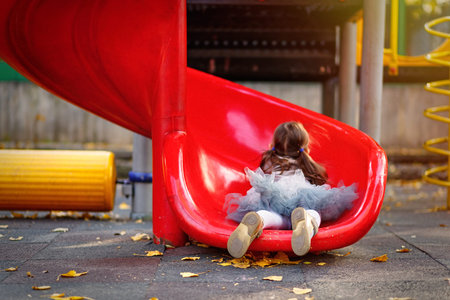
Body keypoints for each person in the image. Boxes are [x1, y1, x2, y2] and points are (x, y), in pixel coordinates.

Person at [225, 121, 358, 258]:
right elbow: (319, 180)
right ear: (306, 150)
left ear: (272, 146)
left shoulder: (268, 160)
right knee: (314, 212)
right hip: (300, 199)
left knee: (276, 218)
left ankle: (260, 219)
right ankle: (307, 221)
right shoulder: (306, 162)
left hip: (274, 200)